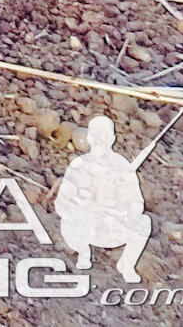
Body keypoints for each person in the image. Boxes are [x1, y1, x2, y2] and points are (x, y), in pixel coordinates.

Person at [54, 114, 153, 282]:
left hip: (112, 229)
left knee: (144, 222)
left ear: (113, 138)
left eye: (105, 136)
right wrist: (86, 206)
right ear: (90, 138)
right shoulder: (79, 165)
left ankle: (127, 265)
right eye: (97, 136)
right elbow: (62, 204)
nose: (101, 140)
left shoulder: (122, 166)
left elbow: (137, 204)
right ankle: (83, 253)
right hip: (84, 228)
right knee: (71, 220)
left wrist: (120, 210)